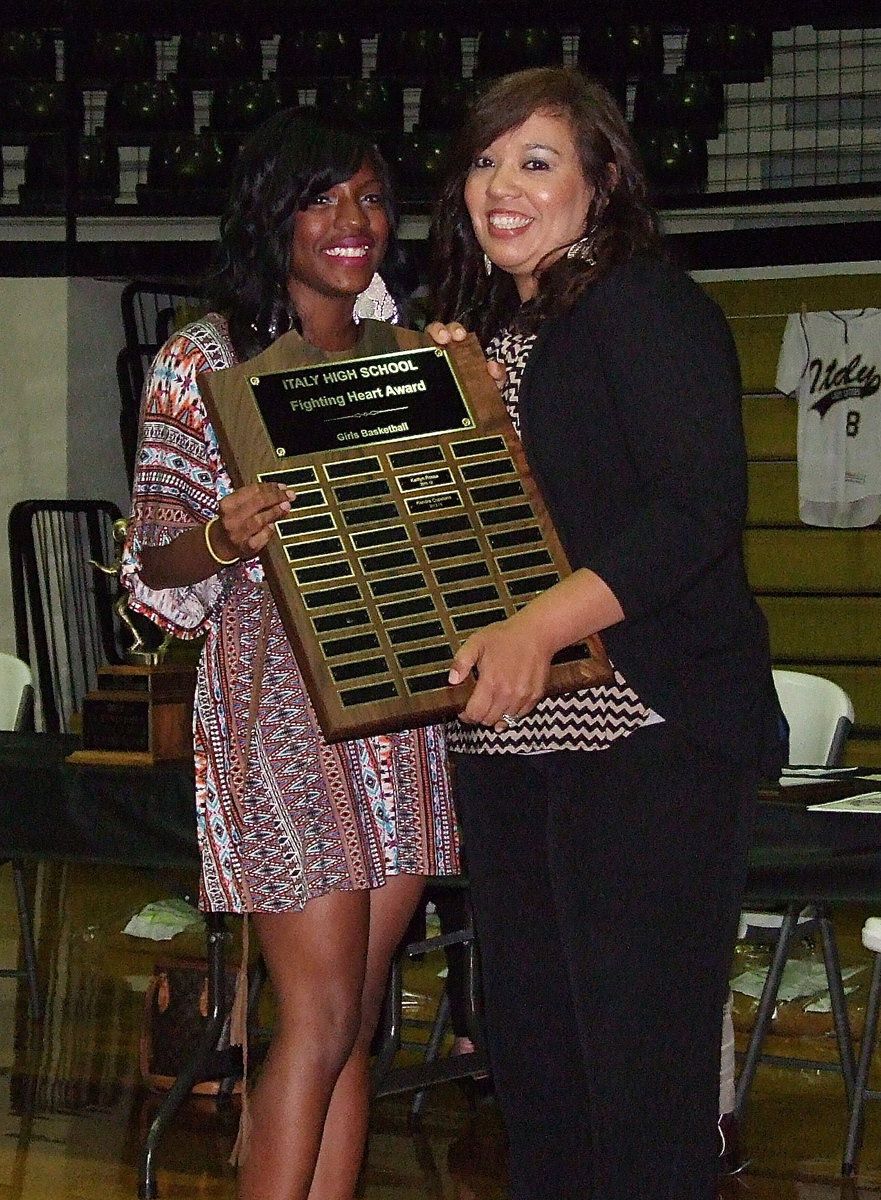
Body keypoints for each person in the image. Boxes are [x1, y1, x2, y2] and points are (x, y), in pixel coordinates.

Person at [428, 67, 784, 1200]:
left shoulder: (641, 302)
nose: (500, 186)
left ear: (604, 182)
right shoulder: (494, 332)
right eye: (484, 161)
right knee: (537, 1080)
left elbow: (695, 508)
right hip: (509, 741)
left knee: (639, 1091)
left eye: (535, 161)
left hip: (643, 732)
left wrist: (538, 625)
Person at [122, 108, 459, 1200]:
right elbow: (152, 568)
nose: (350, 220)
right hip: (275, 714)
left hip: (398, 708)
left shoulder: (403, 357)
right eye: (321, 197)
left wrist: (470, 404)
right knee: (311, 1020)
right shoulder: (203, 358)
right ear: (272, 214)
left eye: (367, 196)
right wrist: (223, 533)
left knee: (355, 1022)